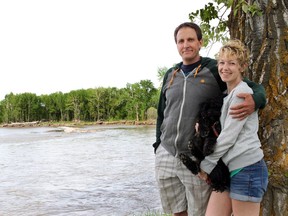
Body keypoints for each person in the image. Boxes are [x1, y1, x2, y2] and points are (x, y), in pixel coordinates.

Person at [153, 22, 267, 216]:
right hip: (167, 152)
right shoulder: (171, 74)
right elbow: (162, 113)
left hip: (198, 157)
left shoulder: (215, 68)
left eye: (190, 39)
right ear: (177, 45)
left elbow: (252, 88)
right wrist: (157, 145)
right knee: (176, 210)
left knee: (199, 210)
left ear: (200, 42)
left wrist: (256, 100)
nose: (186, 44)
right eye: (181, 41)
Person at [198, 39, 268, 216]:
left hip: (247, 168)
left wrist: (206, 165)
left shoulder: (241, 94)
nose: (225, 68)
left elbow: (228, 136)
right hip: (229, 168)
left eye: (232, 63)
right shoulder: (227, 94)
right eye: (221, 62)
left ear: (242, 66)